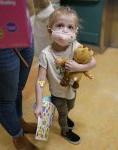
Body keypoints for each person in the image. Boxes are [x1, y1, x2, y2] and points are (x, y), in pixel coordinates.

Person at [34, 6, 96, 145]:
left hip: (71, 89)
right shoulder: (46, 54)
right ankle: (65, 130)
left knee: (70, 106)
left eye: (70, 27)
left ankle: (66, 115)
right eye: (60, 25)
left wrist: (79, 67)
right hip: (57, 93)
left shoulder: (75, 46)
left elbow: (93, 62)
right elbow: (40, 81)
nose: (64, 30)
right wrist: (38, 104)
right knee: (62, 113)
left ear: (75, 31)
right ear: (49, 29)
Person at [0, 0, 43, 149]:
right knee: (5, 98)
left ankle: (19, 122)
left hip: (22, 26)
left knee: (18, 88)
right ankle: (18, 137)